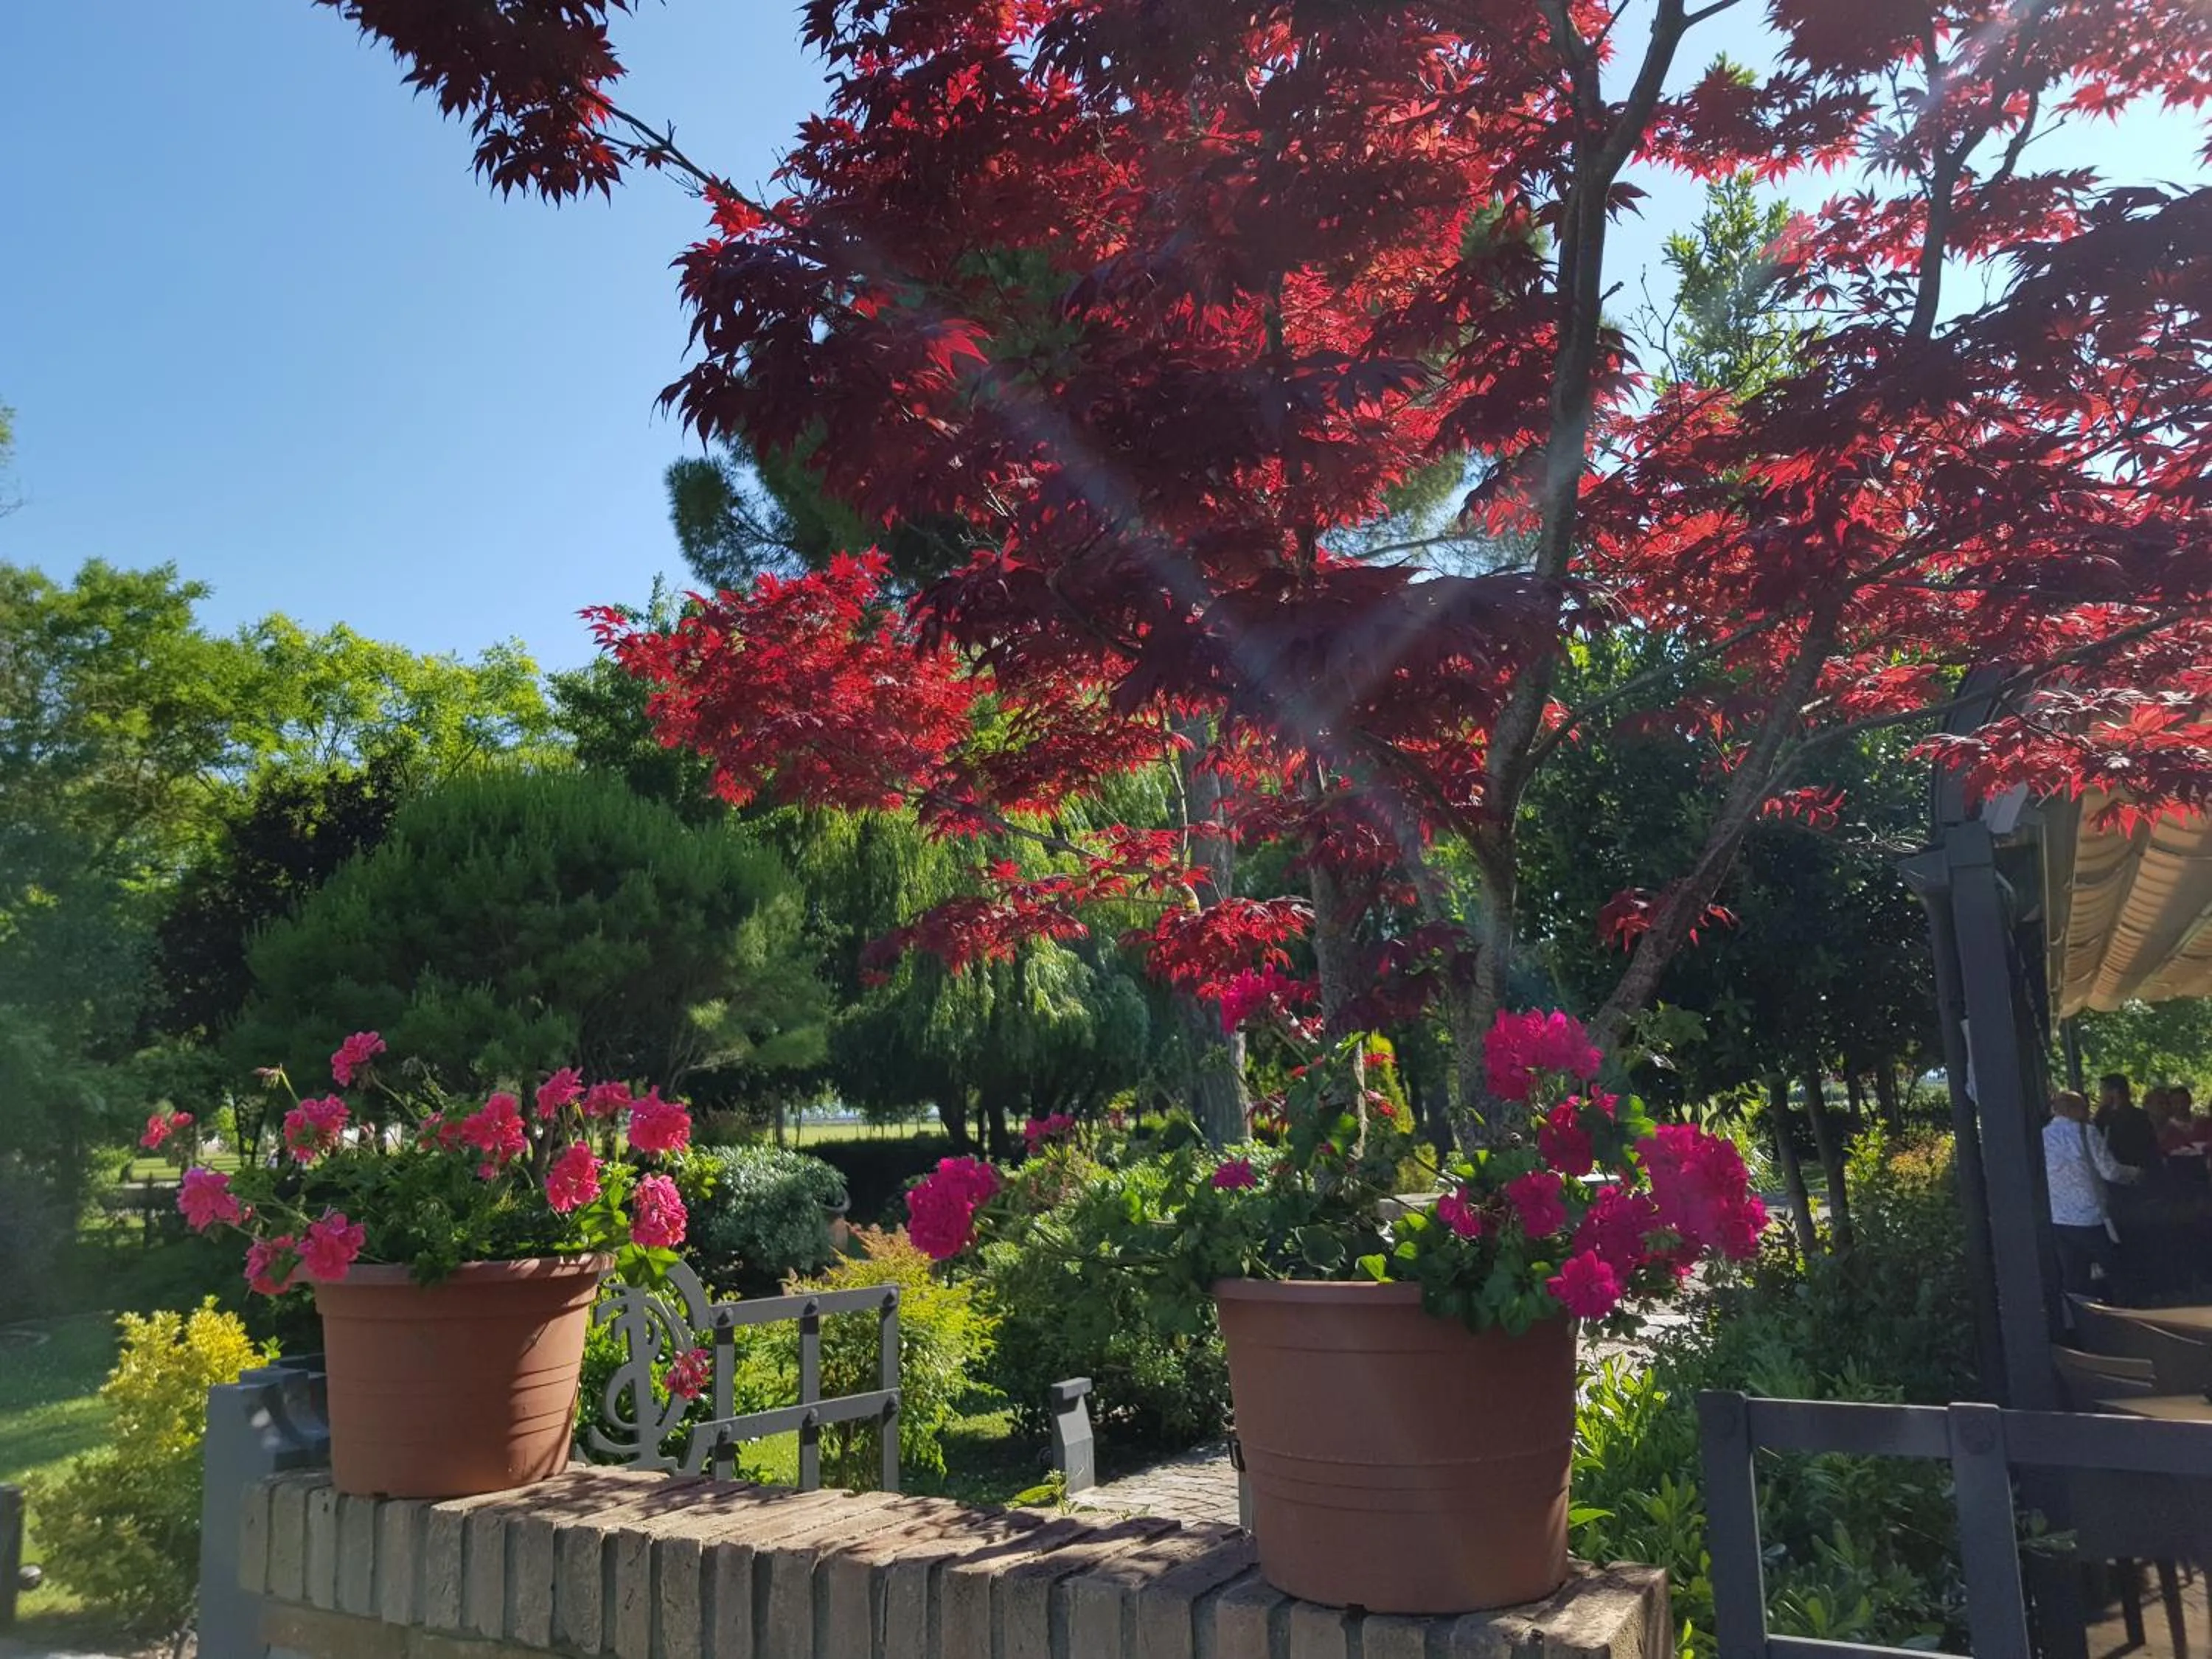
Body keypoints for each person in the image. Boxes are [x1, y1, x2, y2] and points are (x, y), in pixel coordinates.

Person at [2045, 1088, 2140, 1302]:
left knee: (2074, 1276)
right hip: (2090, 1215)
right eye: (2084, 1107)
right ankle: (2129, 1313)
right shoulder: (2086, 1133)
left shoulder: (2042, 1136)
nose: (2087, 1112)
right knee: (2117, 1269)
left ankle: (2080, 1321)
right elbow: (2110, 1171)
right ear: (2073, 1109)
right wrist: (2135, 1174)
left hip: (2058, 1216)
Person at [2096, 1073, 2159, 1172]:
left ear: (2115, 1092)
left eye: (2102, 1090)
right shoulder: (2102, 1116)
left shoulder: (2139, 1118)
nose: (2101, 1095)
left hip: (2134, 1171)